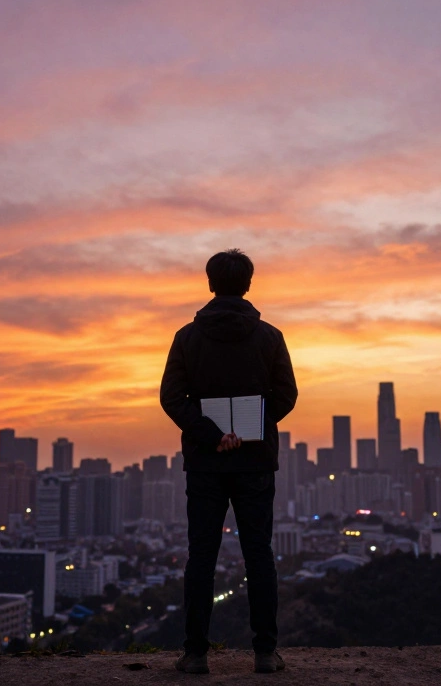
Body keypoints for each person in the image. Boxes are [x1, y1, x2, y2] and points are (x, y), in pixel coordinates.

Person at [160, 249, 297, 675]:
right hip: (255, 462)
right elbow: (287, 394)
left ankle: (196, 654)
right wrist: (250, 429)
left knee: (201, 556)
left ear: (209, 283)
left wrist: (213, 436)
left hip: (205, 462)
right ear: (249, 284)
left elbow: (171, 398)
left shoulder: (187, 337)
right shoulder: (270, 337)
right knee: (259, 554)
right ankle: (265, 654)